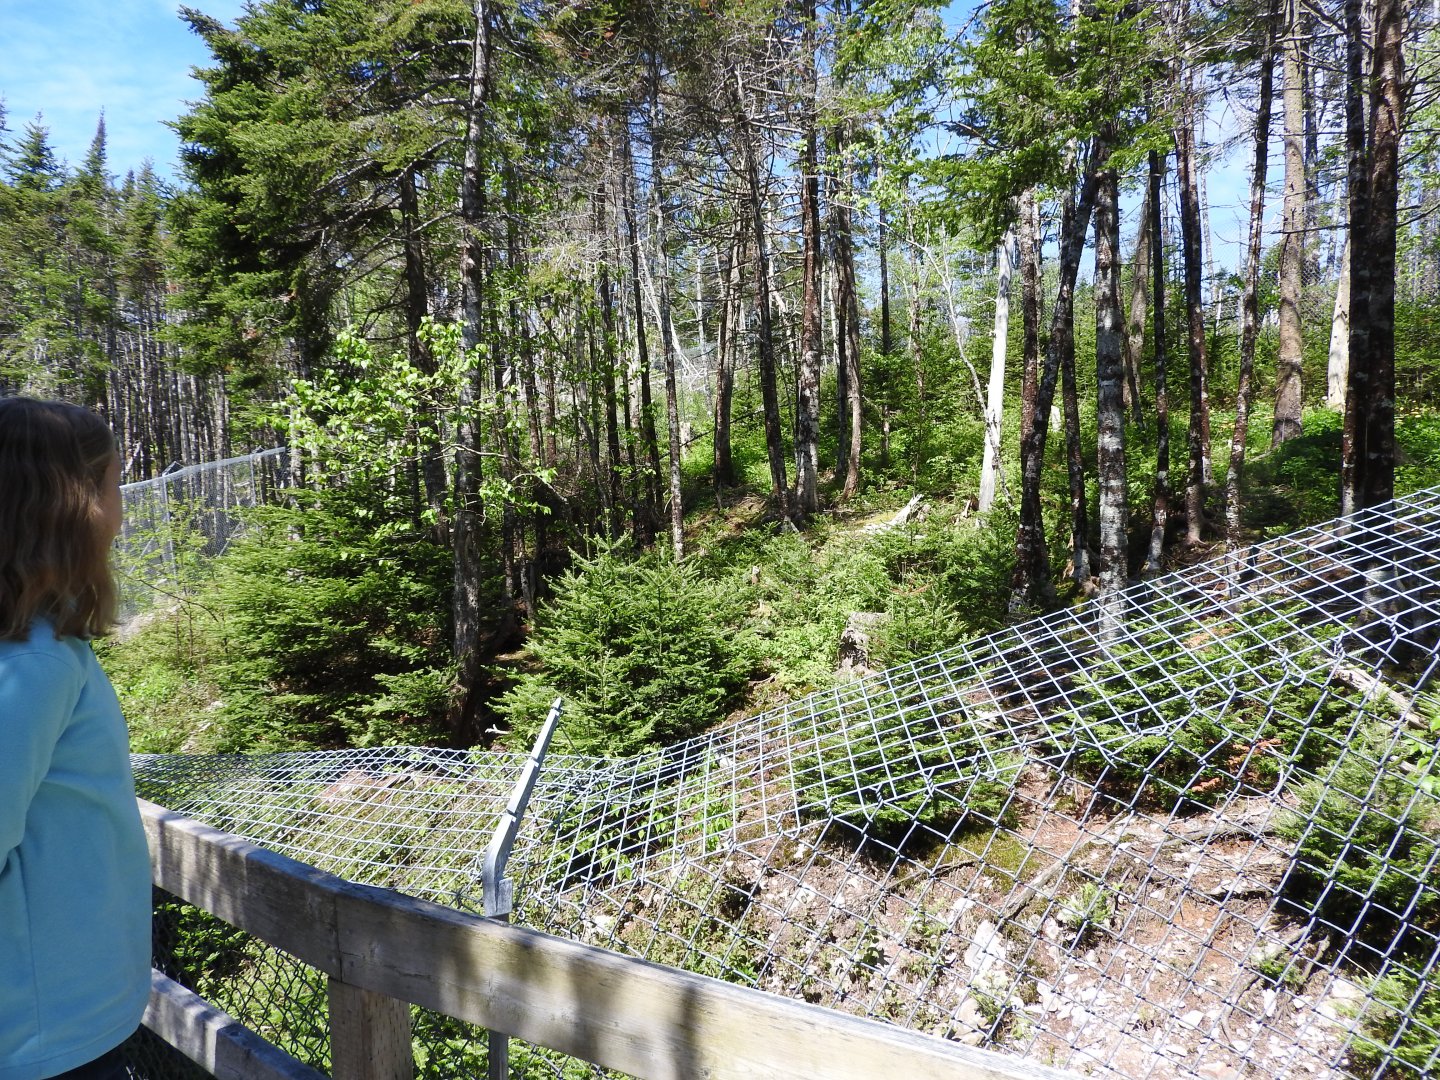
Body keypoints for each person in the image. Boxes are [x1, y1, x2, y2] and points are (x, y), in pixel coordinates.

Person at [0, 398, 151, 1080]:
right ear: (72, 505)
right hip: (47, 1033)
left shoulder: (36, 649)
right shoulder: (32, 665)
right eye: (115, 483)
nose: (121, 508)